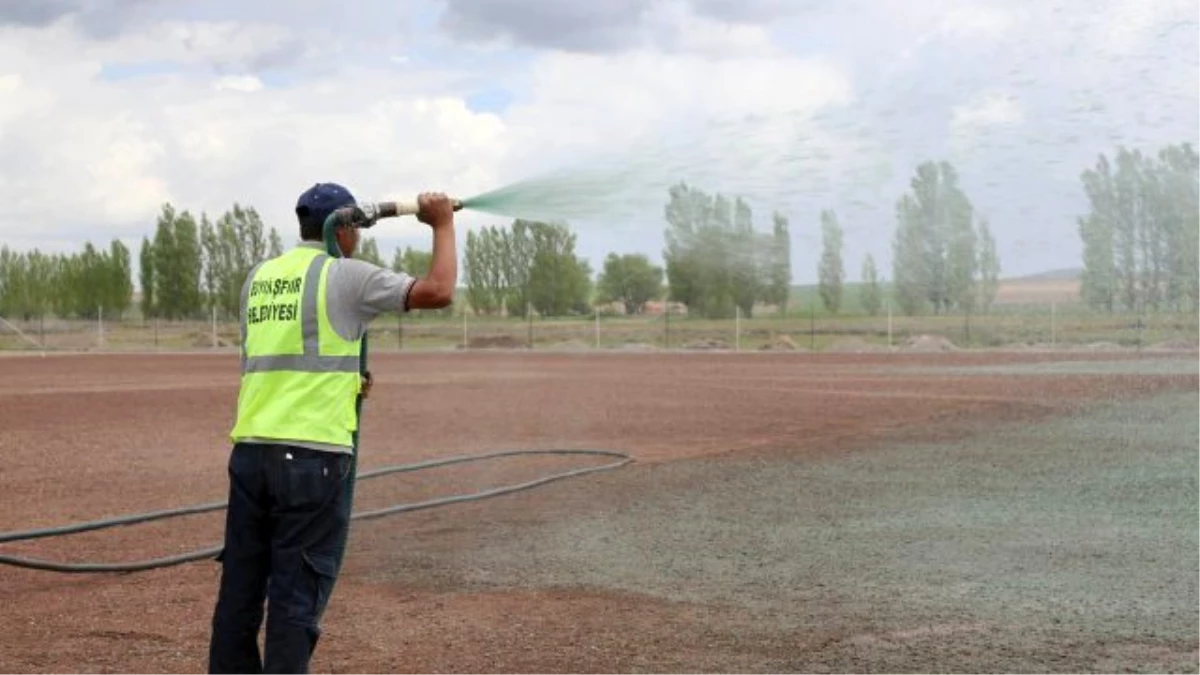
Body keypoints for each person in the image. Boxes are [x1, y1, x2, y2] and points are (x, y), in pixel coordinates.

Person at [208, 183, 457, 673]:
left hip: (251, 453)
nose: (359, 239)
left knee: (239, 589)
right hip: (310, 460)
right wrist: (443, 225)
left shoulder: (260, 277)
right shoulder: (342, 276)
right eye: (358, 230)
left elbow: (292, 353)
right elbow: (439, 290)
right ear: (341, 229)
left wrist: (348, 381)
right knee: (295, 598)